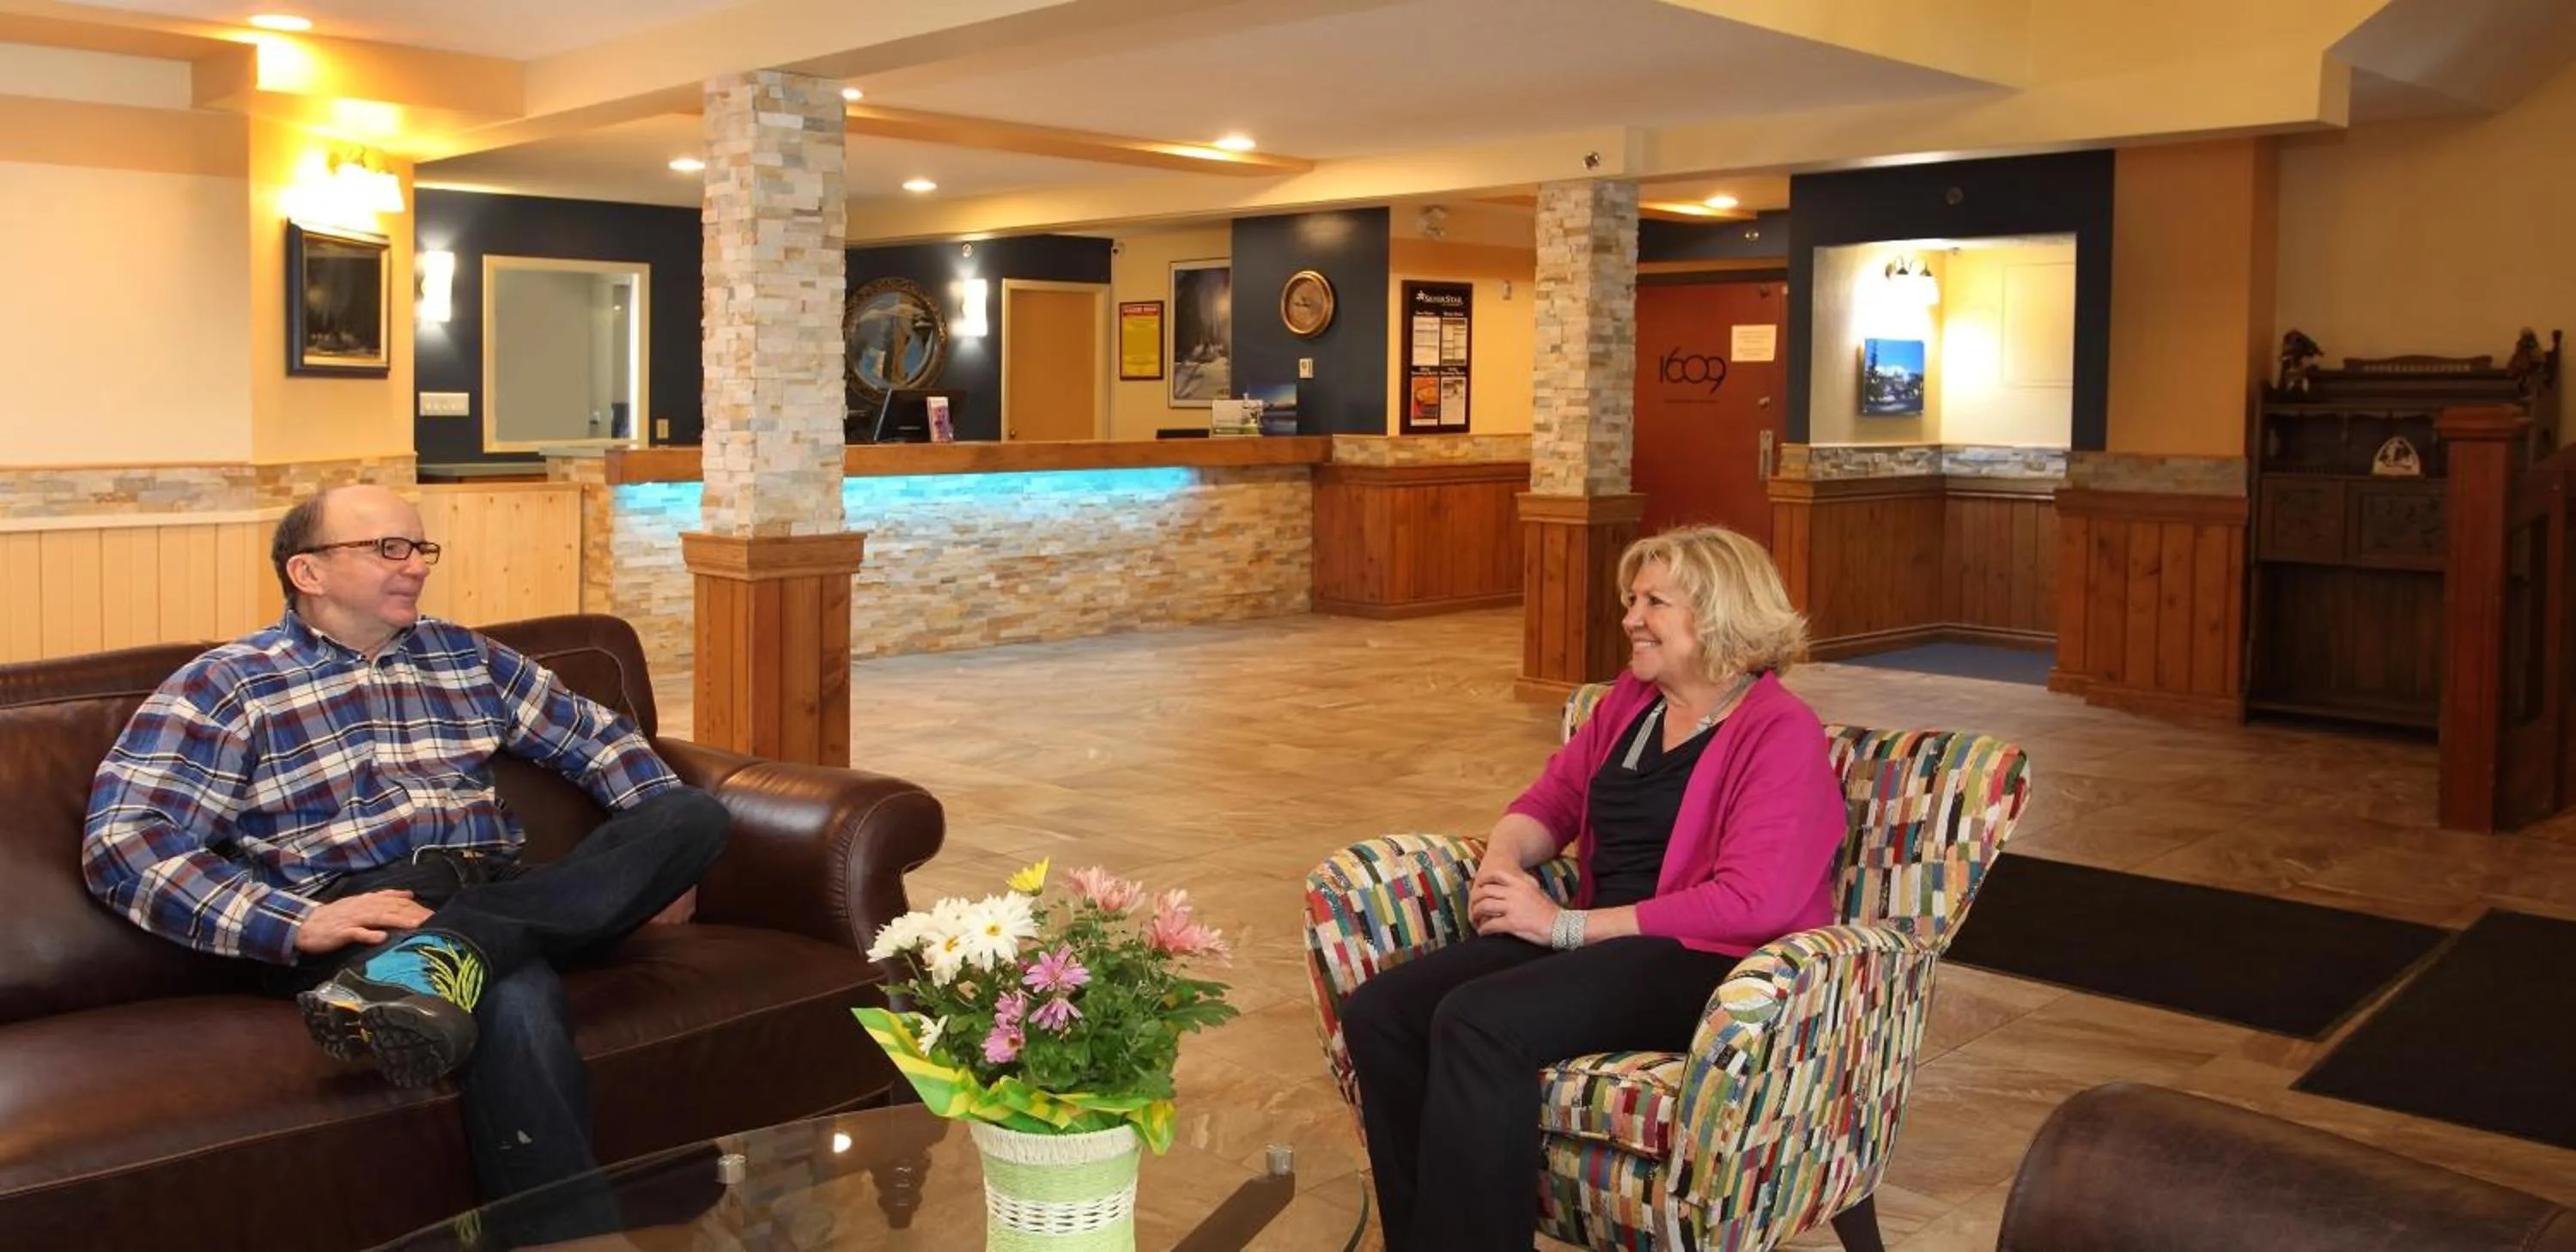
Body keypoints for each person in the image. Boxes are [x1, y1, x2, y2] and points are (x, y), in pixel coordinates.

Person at [80, 483, 731, 1224]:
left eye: (420, 547)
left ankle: (454, 949)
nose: (416, 565)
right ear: (308, 571)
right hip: (365, 908)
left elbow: (598, 737)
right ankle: (567, 1236)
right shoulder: (228, 684)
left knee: (691, 814)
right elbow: (125, 839)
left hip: (495, 888)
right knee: (510, 991)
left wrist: (660, 861)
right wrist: (293, 922)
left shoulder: (465, 656)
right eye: (388, 548)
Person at [1339, 525, 1850, 1252]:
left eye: (1654, 603)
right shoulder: (1634, 702)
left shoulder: (1779, 731)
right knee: (1383, 1012)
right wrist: (1503, 861)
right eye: (1631, 600)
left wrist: (1563, 927)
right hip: (1605, 937)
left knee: (1479, 1021)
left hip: (1710, 963)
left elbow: (1750, 901)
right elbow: (1552, 801)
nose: (1631, 618)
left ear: (1719, 614)